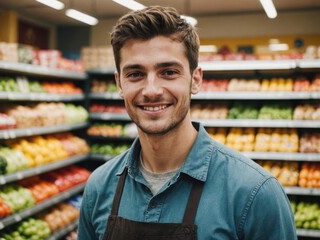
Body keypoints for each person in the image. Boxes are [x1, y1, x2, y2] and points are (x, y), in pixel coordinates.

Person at [78, 6, 297, 240]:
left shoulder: (255, 194)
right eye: (135, 74)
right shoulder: (99, 187)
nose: (151, 90)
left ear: (195, 80)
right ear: (119, 83)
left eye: (169, 72)